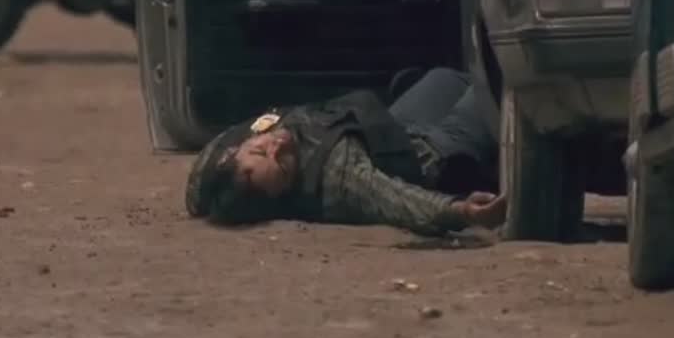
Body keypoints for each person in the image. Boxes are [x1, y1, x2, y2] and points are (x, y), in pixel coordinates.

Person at [184, 68, 505, 236]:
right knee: (492, 85)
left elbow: (201, 187)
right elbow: (397, 201)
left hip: (390, 129)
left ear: (233, 153)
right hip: (432, 152)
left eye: (259, 150)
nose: (276, 146)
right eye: (282, 165)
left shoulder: (219, 163)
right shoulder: (337, 177)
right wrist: (461, 211)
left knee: (444, 79)